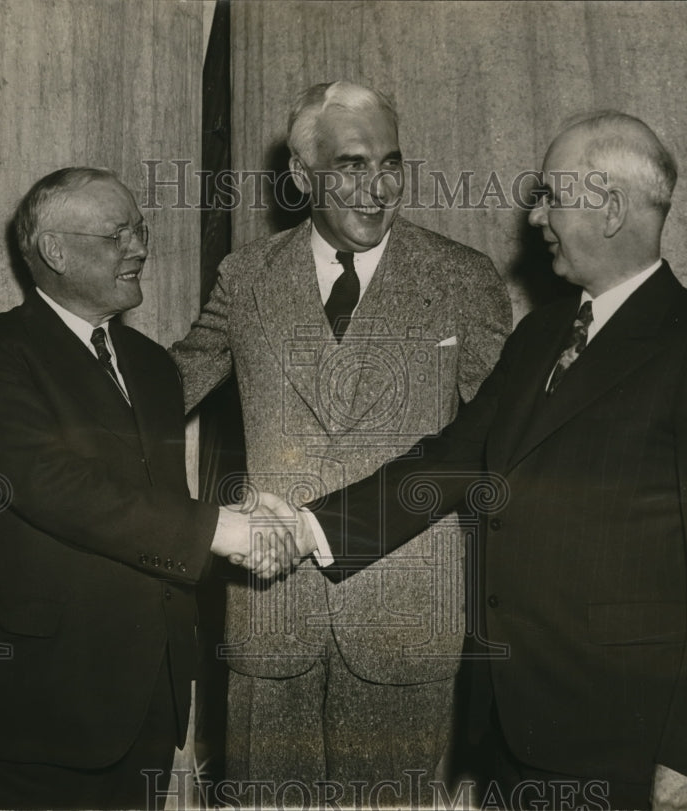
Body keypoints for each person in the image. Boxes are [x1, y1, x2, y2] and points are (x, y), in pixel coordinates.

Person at [298, 112, 687, 811]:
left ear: (611, 208)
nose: (534, 216)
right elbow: (454, 461)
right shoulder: (540, 334)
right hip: (505, 732)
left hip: (623, 749)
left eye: (551, 195)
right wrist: (311, 528)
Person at [170, 81, 511, 800]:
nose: (378, 187)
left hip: (407, 616)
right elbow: (165, 390)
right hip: (271, 614)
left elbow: (502, 439)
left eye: (391, 163)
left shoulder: (462, 278)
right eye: (353, 165)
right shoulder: (248, 276)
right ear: (301, 176)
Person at [0, 167, 293, 810]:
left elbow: (140, 501)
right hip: (27, 710)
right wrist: (221, 531)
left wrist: (227, 512)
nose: (140, 246)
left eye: (140, 229)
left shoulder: (152, 366)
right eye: (117, 232)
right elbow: (50, 485)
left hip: (142, 701)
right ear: (55, 251)